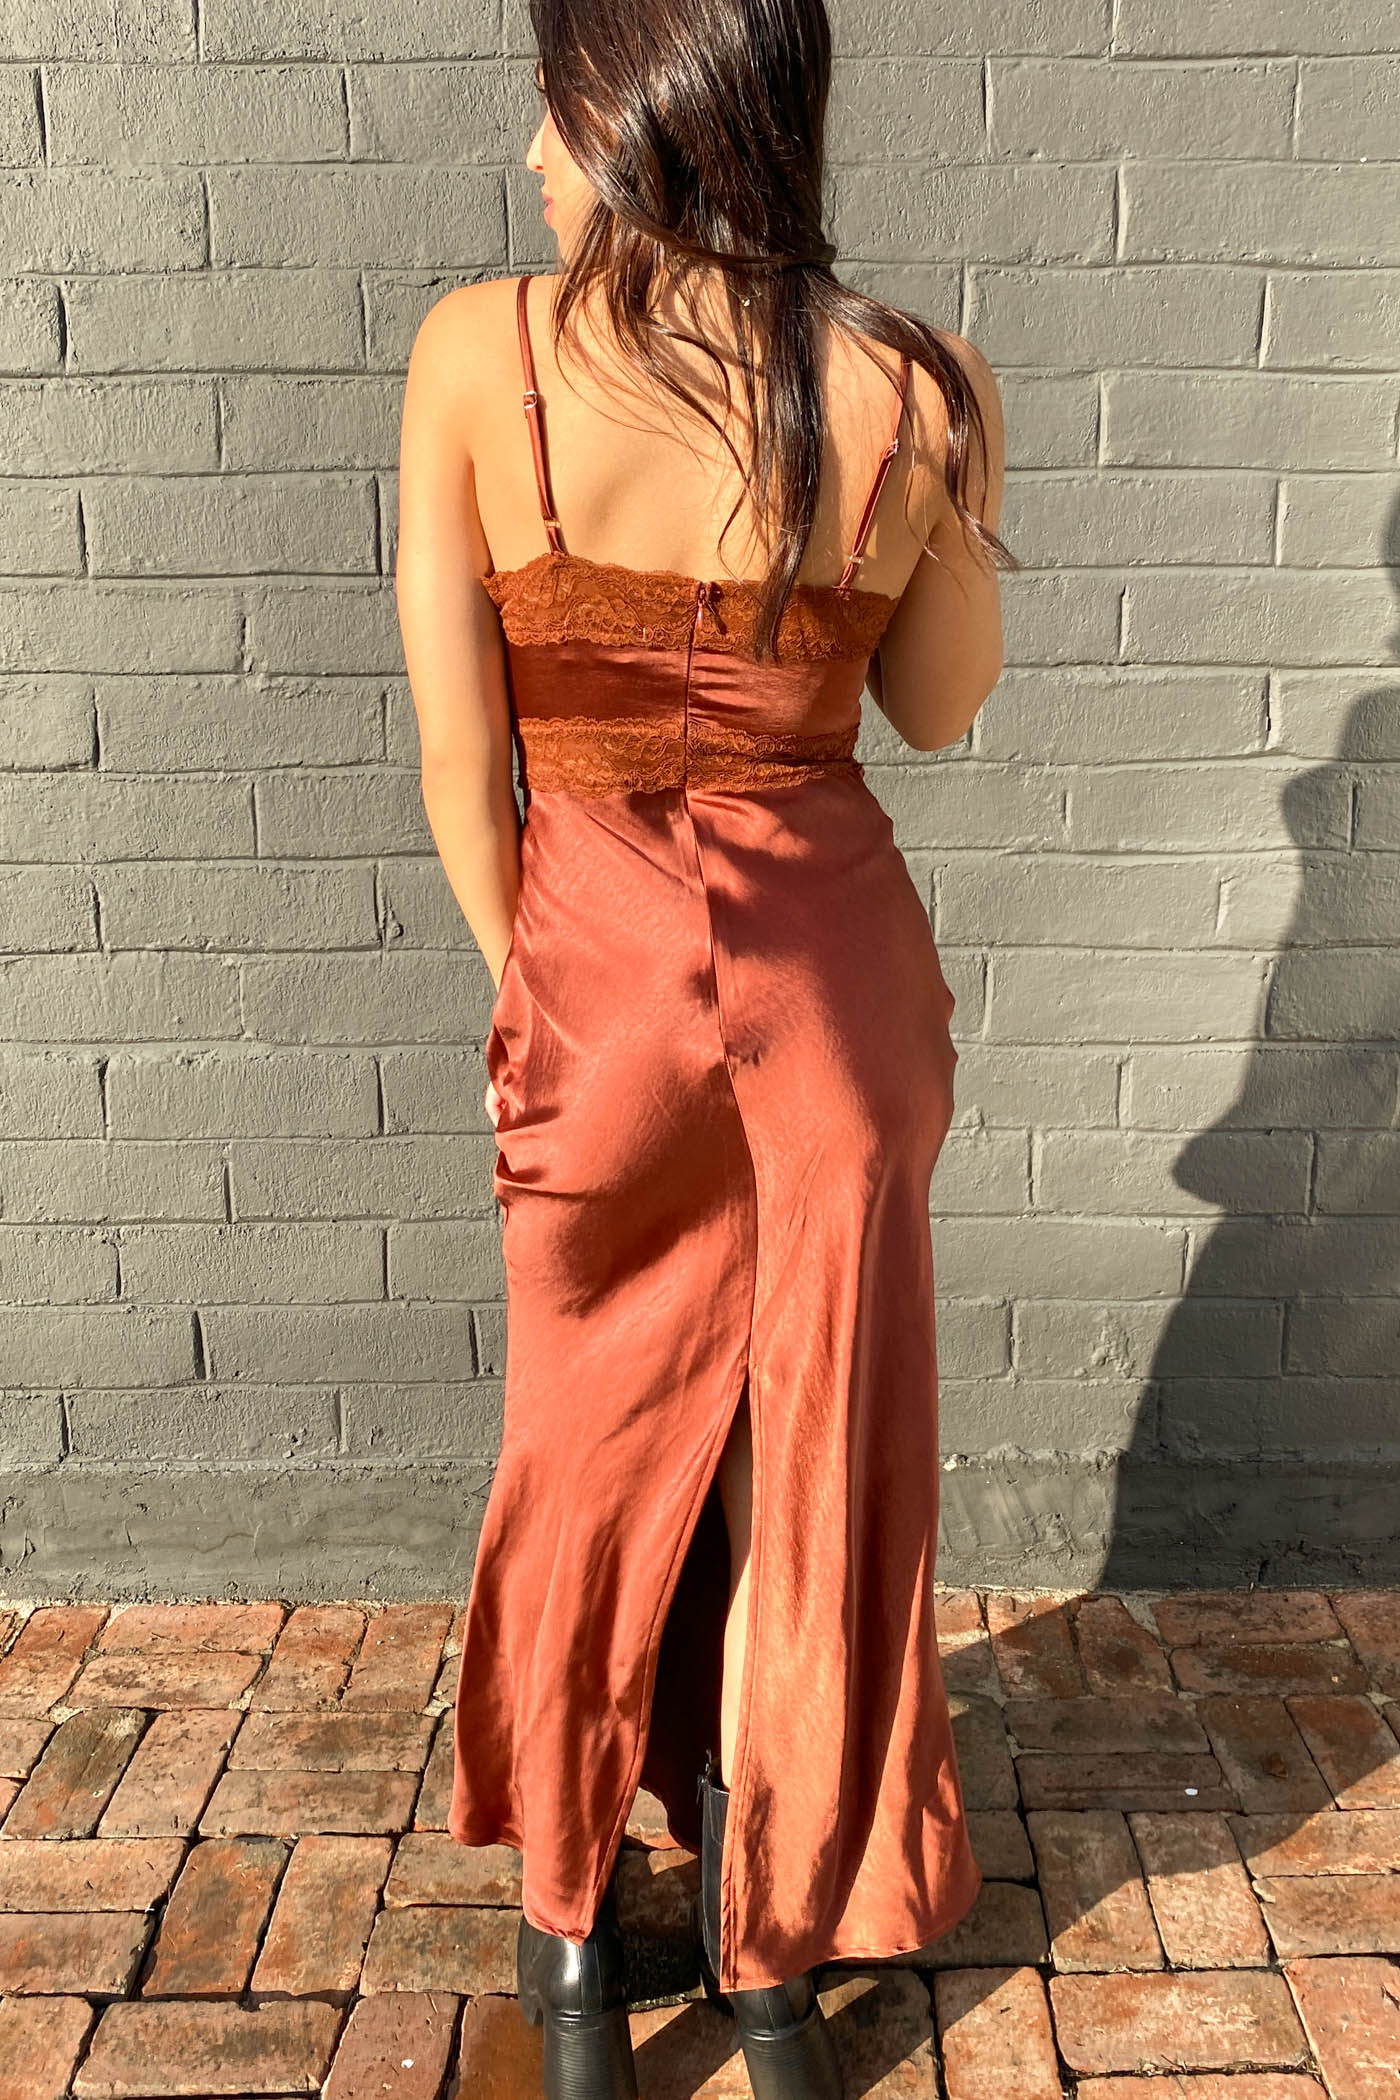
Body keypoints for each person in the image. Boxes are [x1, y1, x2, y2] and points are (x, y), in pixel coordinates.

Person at [395, 3, 1013, 2093]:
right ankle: (773, 1967)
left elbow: (457, 769)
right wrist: (960, 481)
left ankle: (572, 1956)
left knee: (582, 1448)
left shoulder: (481, 356)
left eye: (555, 94)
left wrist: (540, 980)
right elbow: (939, 709)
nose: (534, 138)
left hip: (598, 974)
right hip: (838, 986)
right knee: (814, 1470)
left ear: (640, 108)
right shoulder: (904, 383)